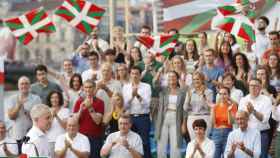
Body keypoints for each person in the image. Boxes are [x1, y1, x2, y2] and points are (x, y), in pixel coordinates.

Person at [154, 71, 187, 158]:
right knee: (161, 143)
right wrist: (159, 72)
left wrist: (184, 123)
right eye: (169, 77)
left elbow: (185, 109)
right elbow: (155, 83)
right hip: (163, 118)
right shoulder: (164, 90)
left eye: (173, 76)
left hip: (176, 118)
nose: (171, 78)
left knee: (175, 144)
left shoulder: (182, 92)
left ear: (177, 79)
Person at [122, 66, 152, 158]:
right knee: (131, 142)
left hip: (143, 117)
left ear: (140, 75)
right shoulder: (126, 87)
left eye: (136, 74)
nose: (134, 76)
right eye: (132, 73)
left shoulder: (146, 86)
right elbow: (125, 106)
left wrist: (138, 96)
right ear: (130, 75)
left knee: (144, 142)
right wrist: (132, 96)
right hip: (130, 117)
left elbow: (147, 105)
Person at [239, 78, 272, 158]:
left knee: (261, 156)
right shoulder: (244, 99)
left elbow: (264, 119)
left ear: (260, 87)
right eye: (251, 85)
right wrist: (247, 113)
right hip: (247, 133)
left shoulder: (266, 100)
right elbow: (240, 117)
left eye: (255, 85)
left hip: (262, 134)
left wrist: (253, 111)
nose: (253, 87)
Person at [73, 79, 104, 158]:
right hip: (81, 137)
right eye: (86, 87)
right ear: (83, 88)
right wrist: (80, 110)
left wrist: (90, 107)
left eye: (90, 87)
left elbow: (97, 121)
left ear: (94, 88)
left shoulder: (100, 102)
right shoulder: (79, 102)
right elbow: (74, 121)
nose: (88, 89)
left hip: (95, 137)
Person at [6, 76, 41, 141]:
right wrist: (18, 106)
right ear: (18, 86)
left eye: (26, 83)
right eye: (22, 84)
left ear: (29, 85)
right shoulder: (12, 99)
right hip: (17, 135)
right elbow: (11, 117)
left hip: (32, 135)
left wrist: (26, 112)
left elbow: (39, 118)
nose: (24, 86)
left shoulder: (36, 99)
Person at [183, 71, 213, 140]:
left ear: (202, 80)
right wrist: (189, 97)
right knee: (194, 141)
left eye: (198, 79)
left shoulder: (209, 92)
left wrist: (203, 94)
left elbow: (208, 108)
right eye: (194, 79)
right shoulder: (190, 92)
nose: (196, 81)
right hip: (192, 118)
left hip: (205, 117)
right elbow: (185, 108)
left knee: (205, 140)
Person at [210, 86, 237, 158]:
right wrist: (212, 110)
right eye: (220, 94)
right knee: (215, 155)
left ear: (229, 95)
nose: (222, 96)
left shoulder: (232, 106)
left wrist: (229, 111)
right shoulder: (215, 106)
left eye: (225, 94)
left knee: (227, 156)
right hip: (216, 133)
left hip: (228, 133)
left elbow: (231, 123)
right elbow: (212, 122)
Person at [46, 91, 70, 157]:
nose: (54, 99)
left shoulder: (66, 111)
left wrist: (56, 116)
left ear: (60, 99)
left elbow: (66, 127)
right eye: (52, 98)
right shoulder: (46, 111)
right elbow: (46, 128)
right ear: (50, 99)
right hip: (50, 141)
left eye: (56, 97)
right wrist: (52, 117)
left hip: (62, 141)